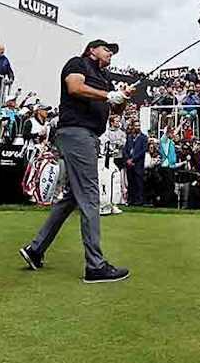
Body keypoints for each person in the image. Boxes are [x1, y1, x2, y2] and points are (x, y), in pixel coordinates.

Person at [19, 39, 130, 283]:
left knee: (71, 197)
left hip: (88, 135)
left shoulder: (103, 77)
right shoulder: (78, 63)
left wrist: (121, 97)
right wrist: (109, 95)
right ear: (92, 50)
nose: (110, 53)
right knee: (90, 195)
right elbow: (75, 88)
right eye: (106, 49)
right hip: (77, 132)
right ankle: (95, 266)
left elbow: (114, 109)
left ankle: (35, 250)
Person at [99, 115, 127, 215]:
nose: (118, 123)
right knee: (104, 182)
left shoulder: (122, 133)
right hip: (104, 160)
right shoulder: (105, 133)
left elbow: (122, 143)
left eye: (119, 121)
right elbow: (107, 143)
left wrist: (115, 144)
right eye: (116, 121)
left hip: (117, 159)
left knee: (116, 182)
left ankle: (114, 204)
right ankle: (103, 205)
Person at [122, 119, 148, 206]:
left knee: (139, 182)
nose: (137, 127)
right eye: (136, 126)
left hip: (138, 163)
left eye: (138, 126)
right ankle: (131, 199)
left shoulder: (144, 137)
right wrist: (127, 159)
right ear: (133, 126)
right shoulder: (129, 137)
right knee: (130, 182)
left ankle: (139, 200)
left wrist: (133, 160)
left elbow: (143, 151)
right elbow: (125, 149)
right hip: (129, 163)